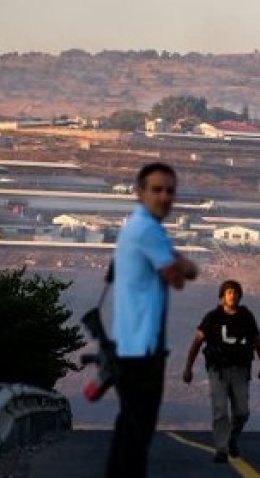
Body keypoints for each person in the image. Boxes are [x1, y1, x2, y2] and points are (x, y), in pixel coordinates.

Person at [106, 162, 199, 478]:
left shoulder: (137, 226)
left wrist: (180, 265)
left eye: (170, 190)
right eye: (156, 189)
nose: (164, 197)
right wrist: (184, 264)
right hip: (141, 347)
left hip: (132, 343)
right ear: (139, 192)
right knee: (138, 431)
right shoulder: (147, 229)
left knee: (129, 427)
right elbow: (178, 277)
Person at [182, 279, 260, 463]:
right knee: (220, 410)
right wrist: (188, 367)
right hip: (218, 371)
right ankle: (221, 449)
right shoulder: (212, 317)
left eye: (236, 292)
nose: (232, 295)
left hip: (240, 371)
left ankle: (232, 439)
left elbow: (258, 341)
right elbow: (197, 342)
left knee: (242, 412)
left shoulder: (246, 317)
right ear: (223, 296)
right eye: (229, 292)